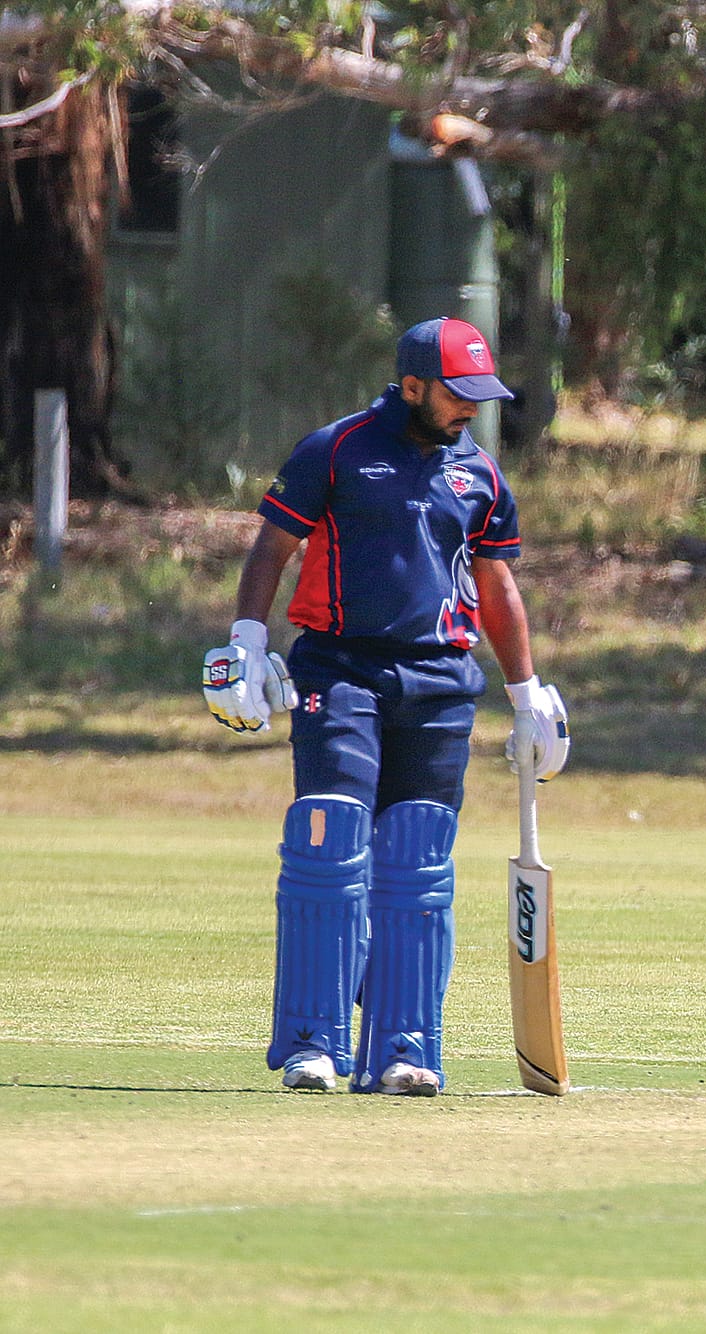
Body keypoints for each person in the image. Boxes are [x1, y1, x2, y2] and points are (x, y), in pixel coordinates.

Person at [201, 317, 571, 1096]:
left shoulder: (482, 477)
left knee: (416, 857)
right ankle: (313, 1041)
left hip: (440, 683)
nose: (471, 408)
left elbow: (498, 585)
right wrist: (243, 639)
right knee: (331, 842)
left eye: (481, 395)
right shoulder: (333, 450)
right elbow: (273, 546)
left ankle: (404, 1047)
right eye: (457, 394)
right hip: (339, 670)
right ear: (411, 386)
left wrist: (526, 691)